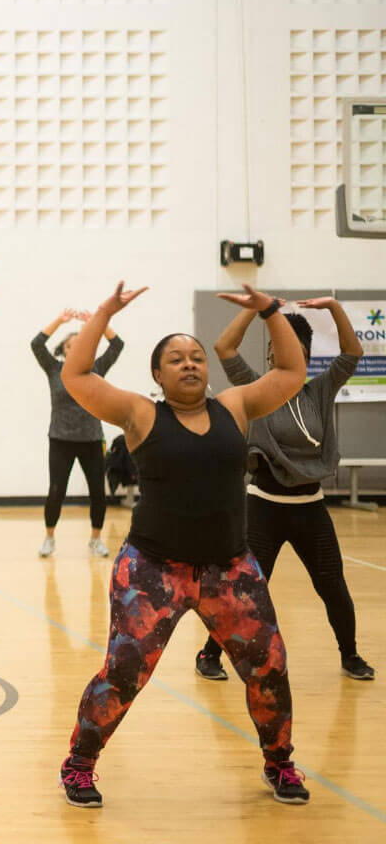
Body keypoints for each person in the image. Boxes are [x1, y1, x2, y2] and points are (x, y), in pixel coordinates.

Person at [57, 281, 310, 808]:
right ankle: (80, 763)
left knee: (270, 668)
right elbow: (76, 375)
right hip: (151, 570)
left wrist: (269, 311)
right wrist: (103, 312)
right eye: (176, 359)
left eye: (197, 356)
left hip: (230, 570)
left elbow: (290, 372)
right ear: (158, 374)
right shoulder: (140, 414)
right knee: (124, 673)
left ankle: (280, 764)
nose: (190, 364)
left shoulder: (236, 407)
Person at [194, 297, 373, 682]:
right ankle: (208, 654)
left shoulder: (320, 392)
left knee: (333, 585)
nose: (278, 354)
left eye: (288, 347)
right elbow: (225, 347)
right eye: (274, 347)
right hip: (264, 506)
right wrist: (258, 308)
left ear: (303, 354)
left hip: (310, 506)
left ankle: (351, 654)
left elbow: (352, 352)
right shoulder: (253, 386)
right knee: (244, 589)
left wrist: (333, 308)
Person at [32, 309, 124, 558]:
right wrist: (60, 320)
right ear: (64, 350)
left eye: (82, 344)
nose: (77, 348)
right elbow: (37, 343)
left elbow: (117, 344)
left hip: (92, 440)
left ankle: (95, 540)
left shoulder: (96, 369)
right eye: (72, 345)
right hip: (61, 440)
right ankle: (49, 537)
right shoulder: (54, 369)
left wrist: (98, 321)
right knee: (56, 490)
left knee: (97, 491)